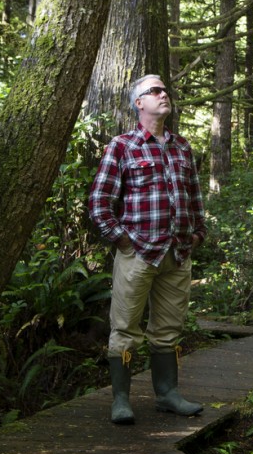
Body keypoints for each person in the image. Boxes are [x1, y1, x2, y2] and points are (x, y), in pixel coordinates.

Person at [88, 74, 207, 424]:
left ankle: (167, 394)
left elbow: (195, 199)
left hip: (178, 254)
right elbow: (99, 201)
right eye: (154, 91)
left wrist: (198, 235)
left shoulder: (182, 146)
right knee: (125, 330)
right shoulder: (122, 146)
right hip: (137, 253)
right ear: (139, 103)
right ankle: (121, 399)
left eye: (164, 90)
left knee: (168, 330)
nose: (163, 94)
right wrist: (122, 239)